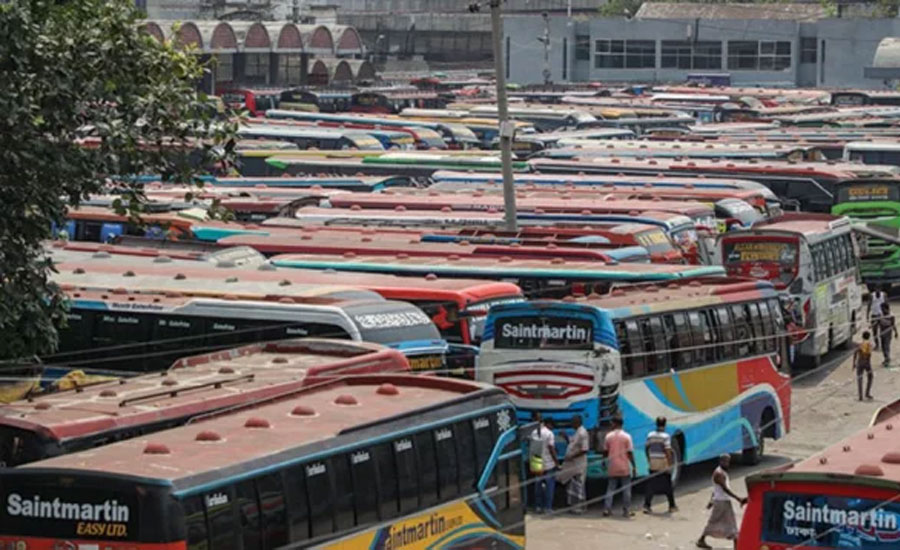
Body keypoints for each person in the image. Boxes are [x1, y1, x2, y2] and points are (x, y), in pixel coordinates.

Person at [696, 454, 747, 550]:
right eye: (724, 461)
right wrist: (738, 498)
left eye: (728, 461)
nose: (726, 463)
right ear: (720, 461)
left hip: (723, 502)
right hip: (721, 503)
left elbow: (715, 490)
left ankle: (702, 540)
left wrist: (711, 501)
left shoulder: (722, 472)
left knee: (726, 523)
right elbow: (725, 489)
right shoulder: (719, 474)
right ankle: (701, 540)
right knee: (719, 523)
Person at [603, 416, 636, 518]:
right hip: (624, 467)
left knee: (610, 489)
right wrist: (634, 466)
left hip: (612, 466)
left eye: (612, 423)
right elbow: (630, 453)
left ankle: (607, 509)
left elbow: (605, 451)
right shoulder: (627, 437)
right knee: (626, 489)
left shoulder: (608, 436)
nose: (611, 425)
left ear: (616, 424)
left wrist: (604, 462)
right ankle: (626, 511)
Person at [643, 416, 677, 514]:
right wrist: (670, 463)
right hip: (662, 462)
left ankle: (647, 505)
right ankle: (672, 505)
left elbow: (646, 448)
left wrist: (649, 458)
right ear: (665, 424)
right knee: (668, 484)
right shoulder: (666, 436)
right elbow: (667, 450)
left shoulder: (650, 435)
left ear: (656, 424)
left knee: (651, 484)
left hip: (653, 461)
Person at [557, 414, 589, 514]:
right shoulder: (577, 433)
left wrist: (572, 456)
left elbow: (584, 449)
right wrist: (566, 437)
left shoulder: (582, 433)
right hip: (572, 465)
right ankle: (574, 507)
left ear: (577, 422)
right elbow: (572, 444)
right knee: (572, 486)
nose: (571, 423)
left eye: (572, 421)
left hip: (578, 464)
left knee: (578, 486)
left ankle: (579, 508)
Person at [530, 412, 559, 513]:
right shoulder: (549, 433)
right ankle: (548, 508)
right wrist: (557, 462)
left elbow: (533, 449)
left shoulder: (533, 432)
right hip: (548, 464)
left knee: (538, 485)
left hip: (536, 462)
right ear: (549, 424)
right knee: (549, 487)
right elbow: (551, 448)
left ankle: (538, 506)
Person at [854, 331, 874, 401]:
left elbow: (855, 353)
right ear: (869, 337)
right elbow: (869, 354)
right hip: (867, 363)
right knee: (870, 377)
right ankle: (867, 393)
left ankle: (860, 396)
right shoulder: (869, 344)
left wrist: (854, 363)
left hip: (859, 362)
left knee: (859, 379)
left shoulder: (860, 344)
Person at [878, 302, 898, 367]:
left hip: (888, 332)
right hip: (882, 331)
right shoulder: (880, 314)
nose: (881, 310)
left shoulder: (891, 315)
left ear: (886, 308)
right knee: (883, 346)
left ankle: (887, 359)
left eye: (882, 308)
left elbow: (893, 324)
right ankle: (886, 358)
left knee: (886, 346)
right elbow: (878, 322)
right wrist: (872, 325)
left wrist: (896, 332)